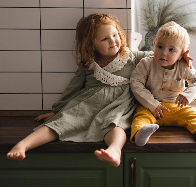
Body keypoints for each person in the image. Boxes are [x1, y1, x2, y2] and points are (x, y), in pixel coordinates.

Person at [6, 13, 151, 167]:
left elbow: (156, 57)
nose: (113, 41)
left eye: (115, 35)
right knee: (63, 121)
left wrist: (179, 53)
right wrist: (57, 110)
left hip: (119, 104)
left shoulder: (132, 57)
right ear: (91, 44)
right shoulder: (89, 64)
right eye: (104, 39)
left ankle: (114, 151)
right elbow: (73, 88)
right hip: (89, 103)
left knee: (115, 124)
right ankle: (24, 144)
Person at [130, 21, 196, 146]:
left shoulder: (183, 66)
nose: (164, 52)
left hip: (175, 107)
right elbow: (136, 83)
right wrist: (152, 104)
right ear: (154, 44)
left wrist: (188, 95)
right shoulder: (146, 63)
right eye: (160, 46)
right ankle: (140, 133)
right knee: (140, 117)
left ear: (182, 54)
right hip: (150, 108)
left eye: (171, 50)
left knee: (192, 114)